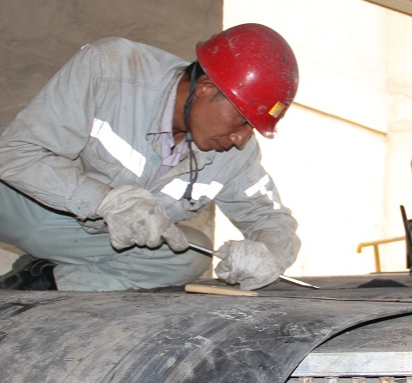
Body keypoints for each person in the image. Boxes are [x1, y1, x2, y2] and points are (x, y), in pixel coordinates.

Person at [0, 23, 301, 291]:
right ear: (206, 89)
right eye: (243, 121)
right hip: (22, 202)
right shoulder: (110, 68)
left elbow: (270, 217)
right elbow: (17, 153)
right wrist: (103, 200)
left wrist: (270, 254)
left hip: (88, 238)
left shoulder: (235, 152)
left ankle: (42, 282)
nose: (242, 138)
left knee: (189, 255)